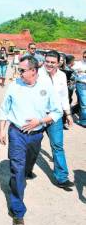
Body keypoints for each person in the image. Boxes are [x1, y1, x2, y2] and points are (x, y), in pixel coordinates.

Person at [0, 55, 62, 225]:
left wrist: (40, 121)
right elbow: (5, 109)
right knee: (17, 169)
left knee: (26, 166)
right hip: (17, 134)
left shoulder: (46, 87)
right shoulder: (14, 85)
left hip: (36, 135)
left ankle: (26, 172)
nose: (19, 73)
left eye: (22, 70)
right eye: (19, 69)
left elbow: (57, 112)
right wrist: (2, 129)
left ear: (33, 71)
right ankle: (18, 210)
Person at [38, 50, 75, 188]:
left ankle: (62, 177)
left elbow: (64, 96)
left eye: (52, 62)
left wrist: (69, 114)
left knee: (58, 146)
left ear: (58, 63)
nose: (49, 64)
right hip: (39, 115)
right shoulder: (37, 73)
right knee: (32, 146)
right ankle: (26, 170)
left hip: (56, 116)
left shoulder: (62, 76)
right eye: (47, 61)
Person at [73, 50, 86, 127]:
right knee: (84, 104)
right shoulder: (79, 63)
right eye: (84, 56)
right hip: (81, 84)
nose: (85, 58)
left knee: (82, 103)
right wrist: (77, 71)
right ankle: (83, 121)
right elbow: (72, 69)